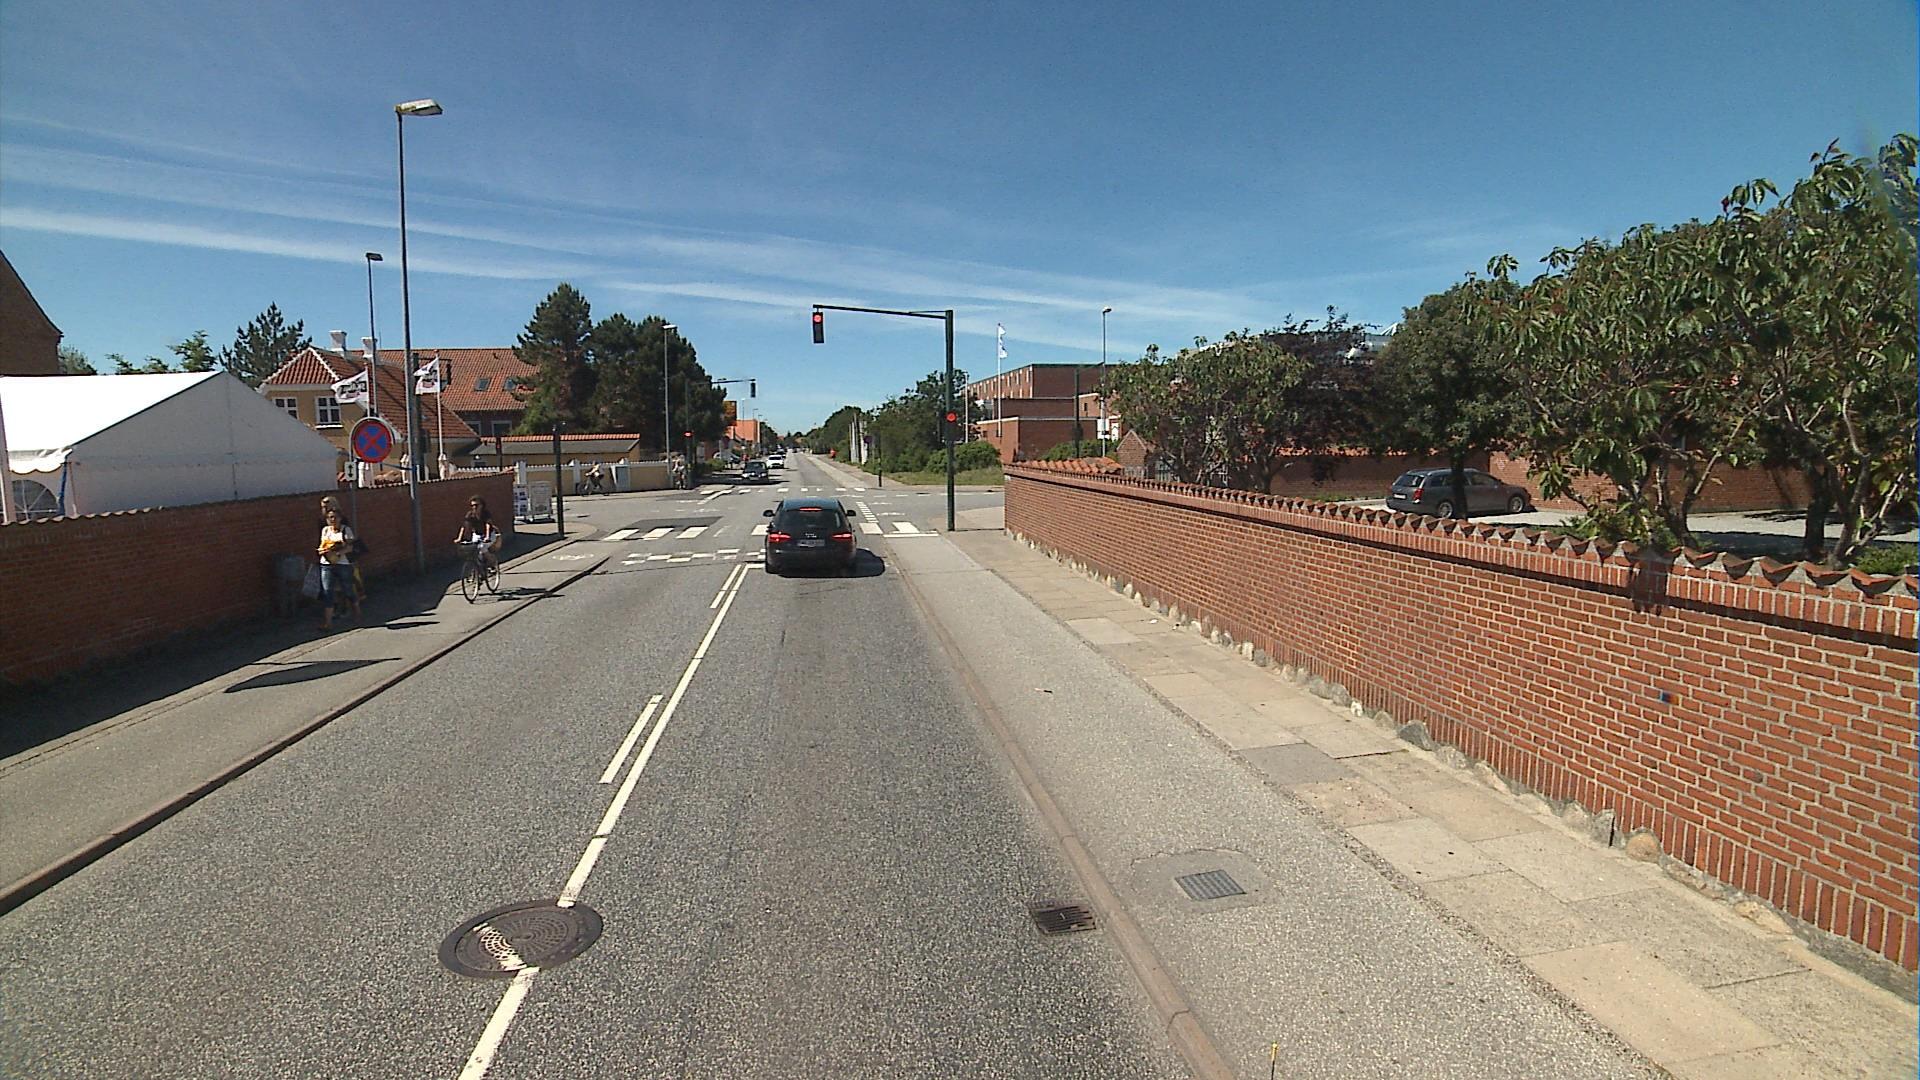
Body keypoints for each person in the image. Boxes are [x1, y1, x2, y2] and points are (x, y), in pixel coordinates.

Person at [317, 506, 360, 629]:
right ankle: (328, 622)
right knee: (327, 591)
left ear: (340, 518)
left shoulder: (345, 530)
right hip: (326, 564)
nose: (333, 520)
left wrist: (337, 553)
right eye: (330, 517)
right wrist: (322, 551)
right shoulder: (325, 530)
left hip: (343, 564)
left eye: (335, 517)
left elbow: (350, 547)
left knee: (347, 589)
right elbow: (322, 545)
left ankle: (356, 610)